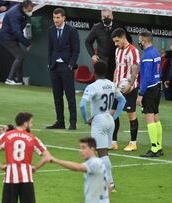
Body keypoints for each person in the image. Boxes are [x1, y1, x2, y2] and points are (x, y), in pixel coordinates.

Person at [79, 60, 126, 192]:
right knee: (104, 153)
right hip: (109, 119)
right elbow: (122, 100)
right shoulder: (111, 84)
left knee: (102, 153)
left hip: (99, 120)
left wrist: (86, 120)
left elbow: (82, 105)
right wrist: (114, 117)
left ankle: (110, 184)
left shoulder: (92, 87)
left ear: (94, 72)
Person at [0, 112, 51, 203]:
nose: (31, 125)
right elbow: (47, 156)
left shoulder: (6, 136)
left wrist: (1, 166)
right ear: (25, 124)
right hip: (27, 179)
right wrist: (36, 167)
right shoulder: (32, 138)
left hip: (10, 179)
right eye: (31, 123)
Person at [46, 8, 80, 130]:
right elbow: (50, 48)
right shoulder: (51, 30)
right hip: (54, 67)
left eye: (58, 18)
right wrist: (50, 63)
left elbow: (76, 50)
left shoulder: (72, 30)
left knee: (70, 96)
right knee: (57, 96)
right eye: (54, 18)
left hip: (66, 67)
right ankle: (60, 122)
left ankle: (73, 122)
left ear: (64, 18)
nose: (56, 20)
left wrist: (70, 65)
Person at [49, 137, 110, 203]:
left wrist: (55, 160)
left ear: (92, 149)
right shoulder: (99, 162)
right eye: (80, 148)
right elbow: (108, 185)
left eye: (83, 148)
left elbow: (77, 167)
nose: (80, 151)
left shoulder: (95, 162)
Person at [110, 28, 140, 151]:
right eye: (114, 42)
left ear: (123, 37)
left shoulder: (133, 51)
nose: (115, 44)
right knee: (112, 114)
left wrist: (131, 85)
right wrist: (113, 83)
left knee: (131, 114)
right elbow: (117, 68)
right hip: (117, 88)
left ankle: (133, 143)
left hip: (129, 88)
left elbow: (135, 69)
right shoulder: (117, 50)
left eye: (117, 41)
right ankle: (113, 142)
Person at [85, 8, 132, 81]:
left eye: (108, 16)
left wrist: (124, 54)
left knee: (115, 83)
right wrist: (92, 55)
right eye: (104, 17)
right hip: (102, 62)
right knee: (102, 83)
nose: (106, 18)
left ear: (112, 16)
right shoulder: (96, 27)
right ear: (101, 17)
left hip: (117, 61)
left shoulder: (118, 26)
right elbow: (88, 42)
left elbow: (129, 41)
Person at [136, 31, 163, 158]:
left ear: (144, 41)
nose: (139, 42)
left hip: (150, 89)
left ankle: (154, 148)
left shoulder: (147, 55)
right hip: (157, 86)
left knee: (150, 118)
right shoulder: (156, 53)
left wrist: (141, 93)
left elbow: (146, 76)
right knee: (156, 117)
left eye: (140, 40)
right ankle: (159, 146)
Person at [0, 0, 33, 85]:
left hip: (12, 38)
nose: (31, 11)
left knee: (20, 57)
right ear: (24, 8)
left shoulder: (21, 11)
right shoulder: (15, 14)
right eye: (29, 10)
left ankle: (19, 80)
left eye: (31, 9)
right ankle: (9, 79)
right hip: (7, 38)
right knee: (20, 56)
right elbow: (17, 32)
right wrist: (27, 43)